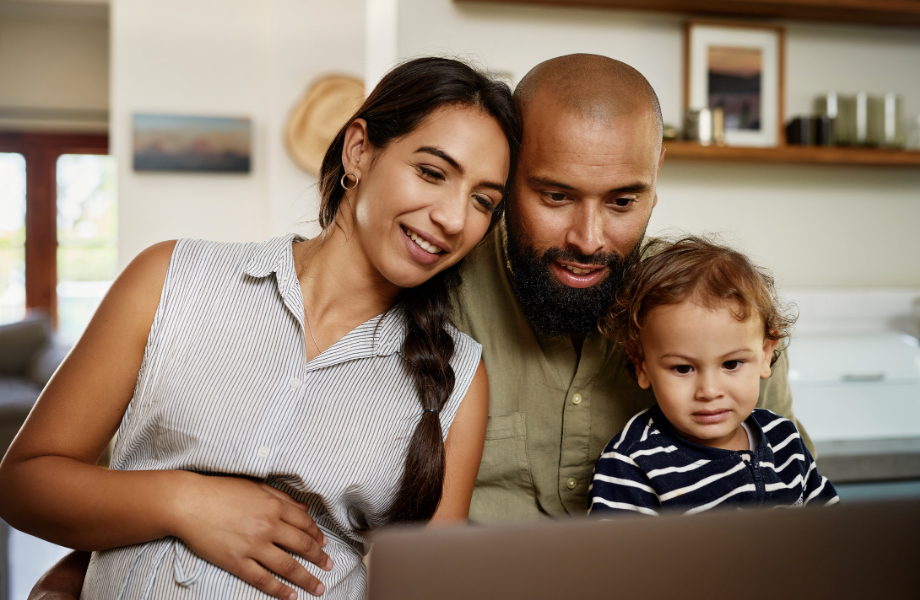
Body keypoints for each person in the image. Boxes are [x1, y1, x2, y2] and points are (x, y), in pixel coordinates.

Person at [0, 57, 519, 600]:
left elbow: (429, 586)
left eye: (483, 201)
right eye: (432, 173)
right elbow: (24, 483)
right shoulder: (171, 280)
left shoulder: (458, 374)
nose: (455, 219)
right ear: (359, 150)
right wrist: (183, 502)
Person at [453, 53, 808, 522]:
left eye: (623, 201)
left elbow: (794, 508)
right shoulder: (444, 290)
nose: (588, 239)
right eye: (556, 196)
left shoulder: (723, 311)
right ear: (509, 165)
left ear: (656, 171)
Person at [588, 237, 839, 516]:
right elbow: (616, 557)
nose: (709, 391)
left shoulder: (784, 439)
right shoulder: (632, 462)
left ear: (766, 355)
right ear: (642, 367)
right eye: (683, 368)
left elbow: (829, 532)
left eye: (731, 364)